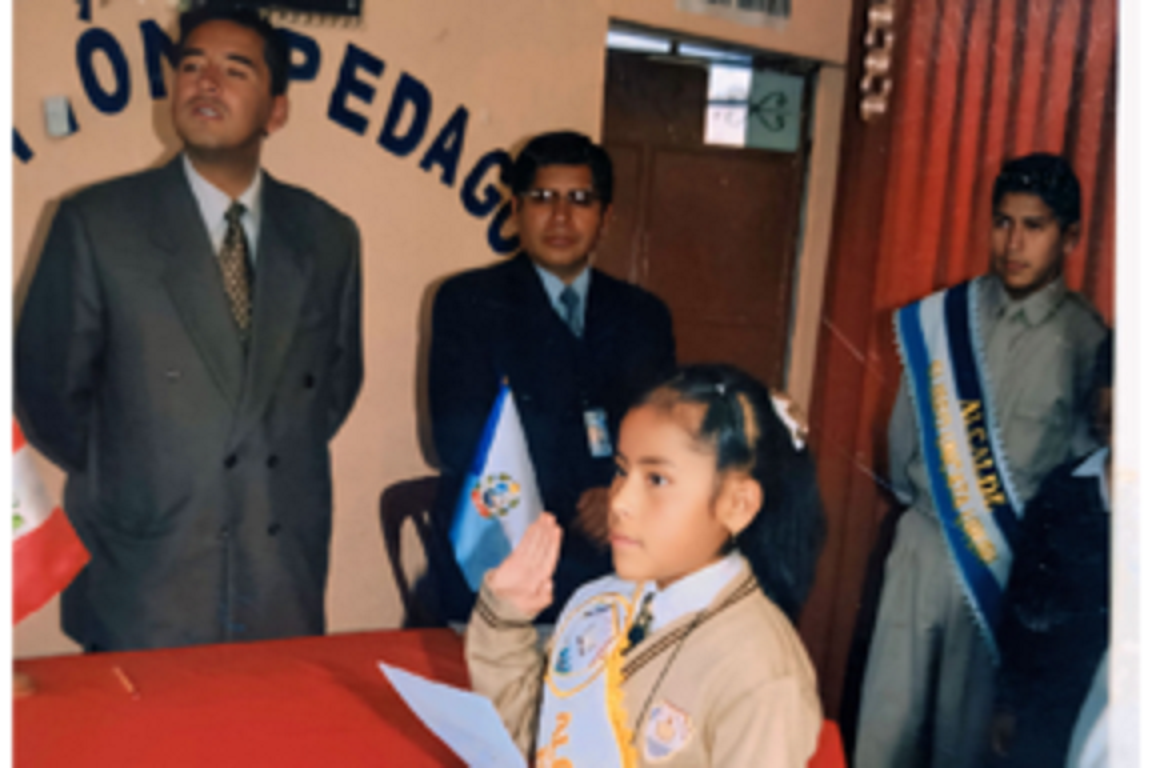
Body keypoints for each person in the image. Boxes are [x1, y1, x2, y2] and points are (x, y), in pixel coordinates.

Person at [15, 7, 363, 651]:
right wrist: (145, 466)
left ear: (276, 111)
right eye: (191, 65)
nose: (206, 82)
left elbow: (332, 391)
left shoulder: (326, 235)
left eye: (236, 70)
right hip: (145, 573)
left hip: (279, 573)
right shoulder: (98, 225)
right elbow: (46, 393)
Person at [853, 153, 1107, 768]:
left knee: (964, 744)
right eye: (1002, 223)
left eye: (1034, 226)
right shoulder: (946, 318)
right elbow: (903, 446)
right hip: (922, 540)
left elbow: (1079, 482)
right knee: (883, 730)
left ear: (1070, 237)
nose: (1013, 244)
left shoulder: (1086, 341)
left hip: (1005, 564)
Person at [466, 364, 826, 767]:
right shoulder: (598, 603)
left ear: (736, 505)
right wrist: (506, 621)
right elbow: (536, 746)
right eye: (622, 470)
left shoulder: (760, 673)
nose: (619, 500)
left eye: (656, 479)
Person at [427, 131, 676, 622]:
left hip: (615, 560)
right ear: (515, 210)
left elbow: (665, 438)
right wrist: (578, 502)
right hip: (503, 554)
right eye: (542, 198)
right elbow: (455, 439)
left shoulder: (644, 315)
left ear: (606, 217)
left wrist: (615, 492)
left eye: (580, 200)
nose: (561, 217)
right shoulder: (468, 302)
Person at [988, 337, 1112, 767]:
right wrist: (1008, 702)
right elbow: (1023, 607)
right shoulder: (1064, 489)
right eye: (1112, 385)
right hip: (1051, 708)